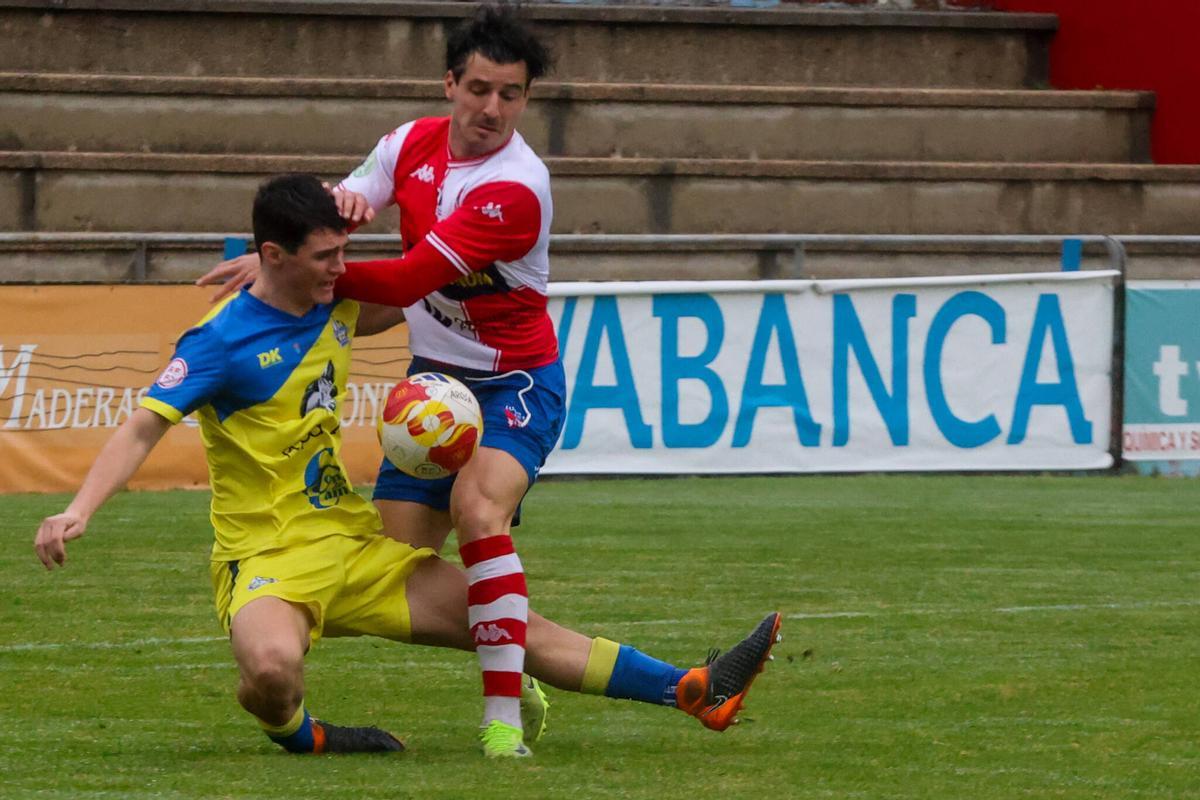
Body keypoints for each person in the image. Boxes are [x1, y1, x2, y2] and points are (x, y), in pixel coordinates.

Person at [37, 174, 782, 759]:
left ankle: (692, 689)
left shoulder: (333, 301)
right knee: (268, 673)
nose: (343, 268)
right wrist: (79, 510)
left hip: (355, 549)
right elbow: (141, 426)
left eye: (343, 252)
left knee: (508, 622)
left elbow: (420, 287)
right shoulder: (217, 342)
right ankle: (303, 735)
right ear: (275, 257)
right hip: (263, 559)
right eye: (326, 256)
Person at [199, 2, 563, 746]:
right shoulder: (407, 146)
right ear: (450, 84)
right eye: (481, 89)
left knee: (479, 510)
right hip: (432, 380)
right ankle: (508, 659)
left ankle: (501, 724)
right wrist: (294, 239)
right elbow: (339, 209)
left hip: (513, 382)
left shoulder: (515, 186)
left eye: (512, 94)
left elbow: (401, 283)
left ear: (526, 98)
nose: (494, 108)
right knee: (397, 568)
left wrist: (291, 274)